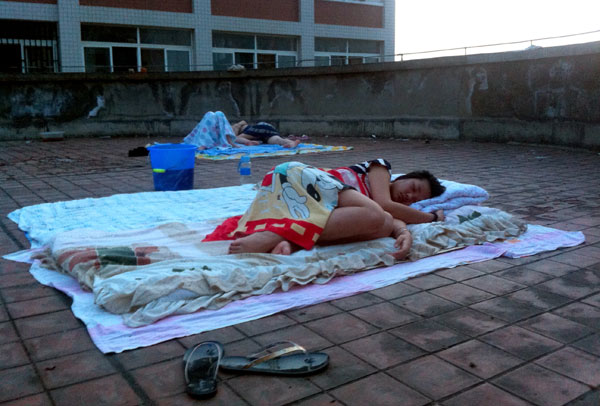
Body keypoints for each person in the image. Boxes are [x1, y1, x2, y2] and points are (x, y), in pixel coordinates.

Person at [204, 159, 446, 260]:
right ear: (401, 177)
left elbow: (389, 218)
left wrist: (403, 233)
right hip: (301, 179)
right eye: (413, 187)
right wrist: (430, 217)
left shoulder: (374, 205)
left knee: (381, 224)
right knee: (376, 216)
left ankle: (291, 241)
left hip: (305, 205)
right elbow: (384, 206)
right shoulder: (380, 168)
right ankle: (279, 234)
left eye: (415, 200)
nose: (410, 196)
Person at [183, 111, 299, 150]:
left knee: (239, 138)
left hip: (255, 131)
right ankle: (291, 142)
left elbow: (236, 130)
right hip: (270, 131)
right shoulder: (258, 127)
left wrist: (237, 128)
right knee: (277, 140)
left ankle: (247, 142)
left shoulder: (242, 126)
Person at [232, 121, 300, 149]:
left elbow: (232, 136)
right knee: (277, 140)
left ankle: (247, 142)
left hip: (259, 127)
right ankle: (292, 143)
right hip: (267, 131)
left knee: (236, 138)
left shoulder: (239, 125)